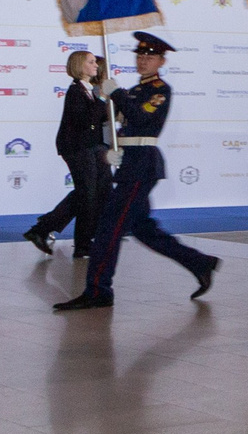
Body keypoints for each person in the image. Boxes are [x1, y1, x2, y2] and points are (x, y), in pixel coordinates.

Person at [58, 33, 218, 311]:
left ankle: (98, 290)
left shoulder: (160, 90)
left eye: (150, 57)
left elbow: (142, 118)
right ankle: (200, 262)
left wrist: (116, 93)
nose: (143, 60)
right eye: (140, 56)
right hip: (131, 162)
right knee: (143, 228)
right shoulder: (133, 91)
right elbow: (120, 122)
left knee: (109, 228)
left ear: (161, 61)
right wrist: (112, 144)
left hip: (143, 165)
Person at [25, 50, 110, 257]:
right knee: (87, 194)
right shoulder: (76, 91)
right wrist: (100, 100)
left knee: (90, 192)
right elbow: (84, 121)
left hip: (90, 146)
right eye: (91, 62)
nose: (96, 66)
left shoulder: (89, 90)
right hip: (76, 148)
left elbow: (98, 120)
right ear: (80, 66)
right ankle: (75, 242)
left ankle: (48, 230)